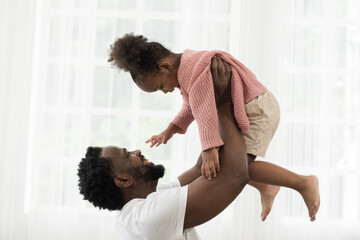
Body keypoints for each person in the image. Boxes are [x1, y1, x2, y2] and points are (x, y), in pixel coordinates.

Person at [77, 60, 320, 240]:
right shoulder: (147, 217)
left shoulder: (149, 200)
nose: (138, 152)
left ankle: (281, 184)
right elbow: (234, 175)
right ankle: (299, 182)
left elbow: (201, 170)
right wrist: (222, 102)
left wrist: (205, 105)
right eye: (128, 156)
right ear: (122, 180)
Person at [107, 33, 320, 221]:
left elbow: (205, 111)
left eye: (161, 86)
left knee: (232, 166)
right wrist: (169, 130)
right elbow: (193, 106)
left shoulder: (193, 71)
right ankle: (264, 185)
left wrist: (209, 149)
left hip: (257, 110)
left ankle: (302, 183)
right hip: (251, 107)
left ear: (165, 67)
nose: (166, 91)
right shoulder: (189, 67)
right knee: (225, 164)